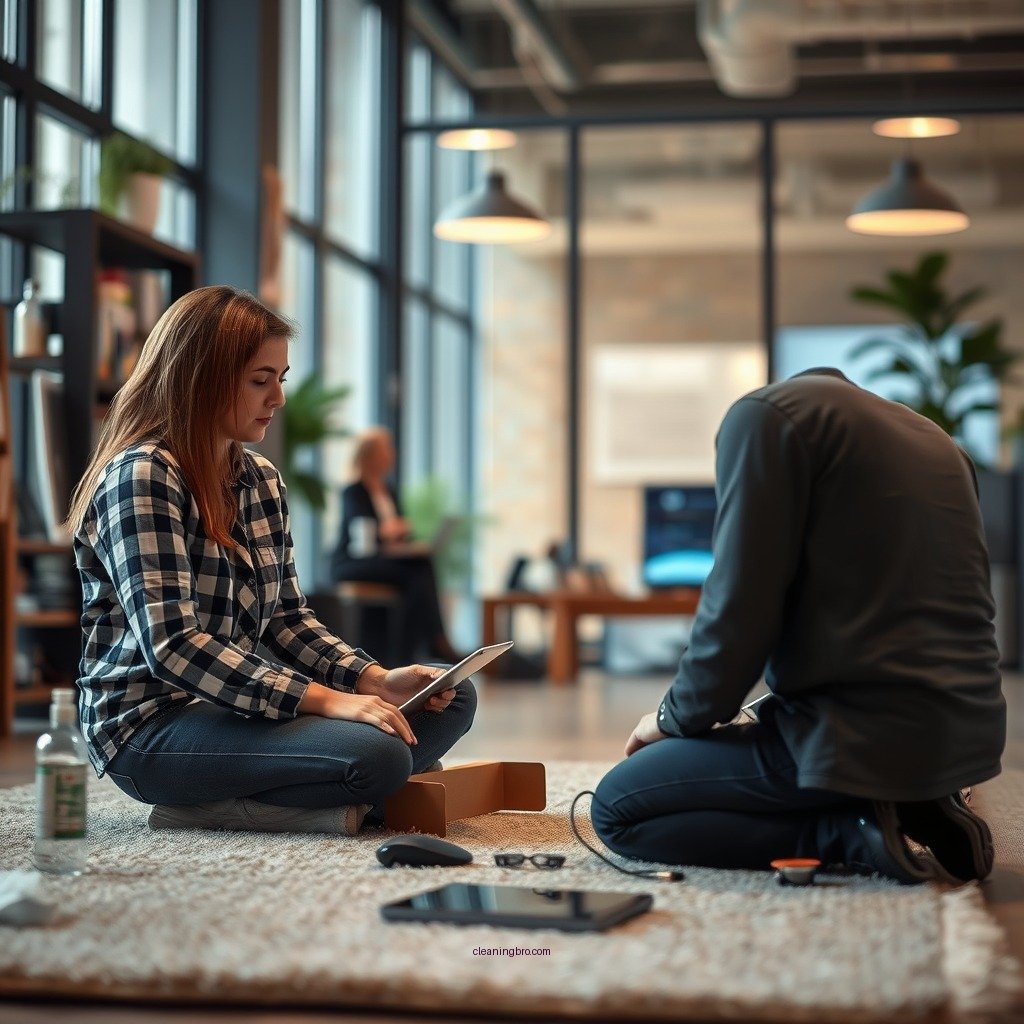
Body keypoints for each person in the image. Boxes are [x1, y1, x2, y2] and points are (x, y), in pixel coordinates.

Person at [65, 286, 476, 835]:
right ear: (201, 379)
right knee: (380, 756)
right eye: (261, 380)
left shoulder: (260, 479)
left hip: (235, 707)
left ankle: (298, 794)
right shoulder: (142, 476)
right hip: (149, 728)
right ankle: (309, 792)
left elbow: (286, 619)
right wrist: (327, 701)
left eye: (279, 379)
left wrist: (373, 679)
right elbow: (173, 646)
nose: (278, 398)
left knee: (448, 699)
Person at [591, 368, 1005, 884]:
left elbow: (738, 607)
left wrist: (672, 717)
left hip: (855, 735)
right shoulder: (936, 440)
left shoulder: (766, 416)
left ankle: (845, 833)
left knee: (617, 807)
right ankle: (919, 803)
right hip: (963, 734)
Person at [331, 427, 460, 663]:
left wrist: (408, 542)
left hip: (383, 558)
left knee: (421, 565)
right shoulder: (353, 491)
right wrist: (390, 530)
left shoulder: (389, 490)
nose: (391, 455)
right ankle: (425, 645)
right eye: (385, 450)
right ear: (369, 455)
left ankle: (421, 647)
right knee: (415, 577)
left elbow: (399, 533)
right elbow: (362, 530)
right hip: (353, 561)